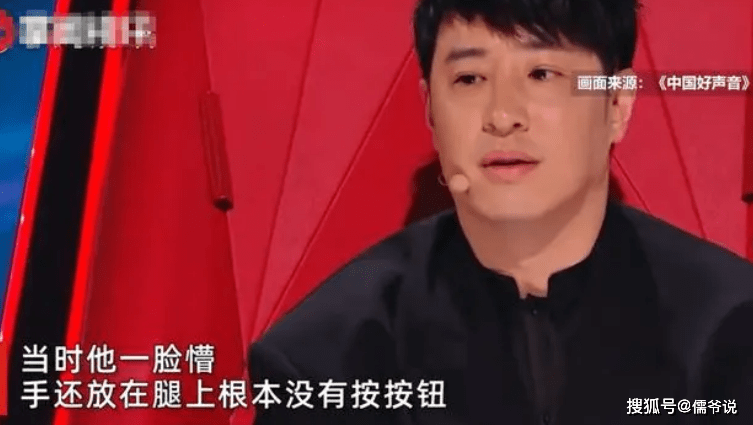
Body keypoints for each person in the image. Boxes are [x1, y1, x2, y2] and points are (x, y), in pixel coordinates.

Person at [249, 0, 753, 423]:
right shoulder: (326, 358)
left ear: (618, 104)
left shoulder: (731, 327)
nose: (502, 116)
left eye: (542, 73)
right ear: (430, 108)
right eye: (469, 78)